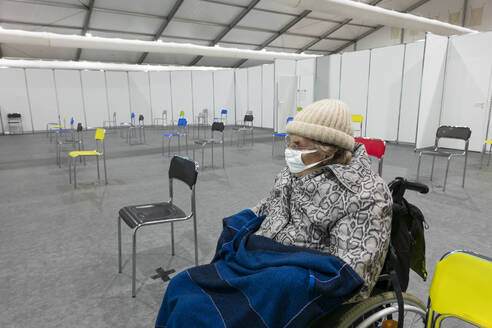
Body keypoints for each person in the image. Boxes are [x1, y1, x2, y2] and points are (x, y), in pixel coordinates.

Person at [253, 99, 392, 300]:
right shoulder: (293, 172)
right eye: (289, 142)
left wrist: (280, 276)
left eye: (297, 144)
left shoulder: (365, 194)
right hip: (260, 262)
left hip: (291, 286)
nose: (289, 151)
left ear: (327, 149)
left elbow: (350, 278)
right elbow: (268, 206)